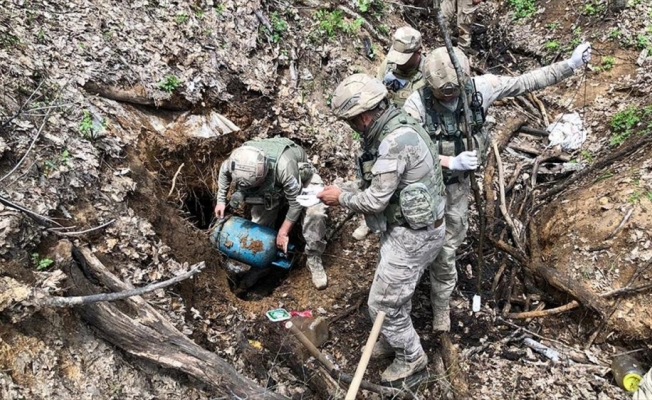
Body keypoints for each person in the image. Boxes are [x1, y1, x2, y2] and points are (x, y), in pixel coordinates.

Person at [403, 42, 593, 331]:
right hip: (423, 187)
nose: (450, 98)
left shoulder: (481, 89)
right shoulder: (416, 105)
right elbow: (407, 151)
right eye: (443, 94)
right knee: (415, 244)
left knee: (448, 247)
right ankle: (405, 301)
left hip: (458, 189)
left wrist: (570, 64)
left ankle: (440, 306)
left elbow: (525, 82)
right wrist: (448, 161)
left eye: (455, 91)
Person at [317, 73, 476, 383]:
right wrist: (346, 187)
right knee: (389, 291)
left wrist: (340, 197)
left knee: (382, 303)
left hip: (414, 237)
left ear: (363, 116)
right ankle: (392, 339)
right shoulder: (400, 122)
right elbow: (386, 185)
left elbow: (376, 200)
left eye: (350, 121)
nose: (351, 127)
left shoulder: (391, 142)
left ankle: (411, 356)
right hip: (412, 228)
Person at [214, 138, 328, 289]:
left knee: (315, 213)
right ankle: (261, 264)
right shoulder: (237, 160)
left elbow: (296, 202)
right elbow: (223, 172)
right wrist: (221, 200)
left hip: (300, 175)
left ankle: (313, 257)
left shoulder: (285, 167)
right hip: (268, 189)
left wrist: (283, 232)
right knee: (257, 230)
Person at [376, 26, 427, 109]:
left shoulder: (429, 74)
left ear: (419, 51)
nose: (397, 61)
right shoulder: (388, 64)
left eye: (404, 57)